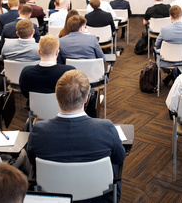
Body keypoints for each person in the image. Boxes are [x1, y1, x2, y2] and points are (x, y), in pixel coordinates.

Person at [26, 70, 125, 201]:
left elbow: (33, 161)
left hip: (55, 196)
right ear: (86, 98)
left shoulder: (38, 130)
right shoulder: (106, 128)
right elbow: (119, 157)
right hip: (99, 197)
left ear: (57, 96)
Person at [20, 35, 75, 99]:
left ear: (39, 52)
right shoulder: (70, 72)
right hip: (62, 107)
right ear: (57, 52)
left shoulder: (26, 72)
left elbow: (25, 93)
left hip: (35, 107)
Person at [155, 5, 182, 85]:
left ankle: (170, 73)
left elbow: (157, 44)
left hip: (167, 61)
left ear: (170, 16)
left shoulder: (164, 29)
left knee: (155, 52)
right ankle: (174, 73)